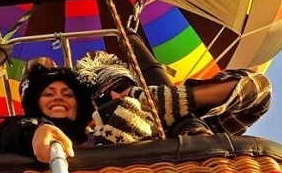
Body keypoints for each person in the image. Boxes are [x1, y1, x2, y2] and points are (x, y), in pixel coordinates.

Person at [74, 50, 271, 143]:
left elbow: (258, 91)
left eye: (122, 86)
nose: (117, 95)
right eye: (103, 99)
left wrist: (171, 101)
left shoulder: (196, 122)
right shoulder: (89, 143)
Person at [0, 62, 95, 163]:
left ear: (80, 105)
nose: (58, 98)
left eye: (68, 95)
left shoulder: (98, 135)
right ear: (35, 103)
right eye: (49, 94)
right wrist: (34, 133)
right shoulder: (18, 125)